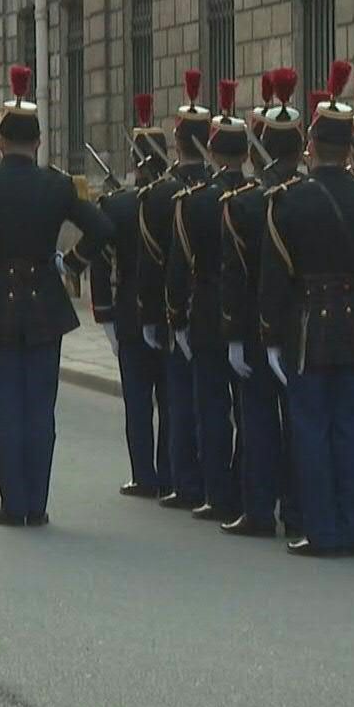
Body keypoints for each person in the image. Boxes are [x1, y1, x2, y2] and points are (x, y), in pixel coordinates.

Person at [0, 65, 113, 525]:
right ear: (38, 142)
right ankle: (37, 504)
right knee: (40, 407)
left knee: (5, 408)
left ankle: (12, 502)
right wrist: (71, 264)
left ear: (0, 141)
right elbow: (101, 227)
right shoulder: (57, 184)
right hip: (44, 303)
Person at [261, 72, 354, 558]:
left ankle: (321, 529)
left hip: (308, 323)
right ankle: (350, 527)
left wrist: (272, 336)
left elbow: (275, 277)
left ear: (311, 144)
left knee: (312, 430)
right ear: (351, 148)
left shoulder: (288, 200)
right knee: (348, 428)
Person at [221, 71, 309, 538]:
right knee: (299, 421)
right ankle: (297, 510)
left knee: (256, 421)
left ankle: (258, 511)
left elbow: (233, 278)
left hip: (257, 325)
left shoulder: (243, 203)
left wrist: (233, 332)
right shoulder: (309, 197)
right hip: (303, 323)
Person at [167, 79, 255, 525]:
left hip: (204, 310)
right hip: (248, 313)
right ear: (245, 154)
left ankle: (217, 492)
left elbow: (180, 268)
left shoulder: (194, 201)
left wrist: (175, 317)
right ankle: (249, 487)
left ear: (214, 153)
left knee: (212, 409)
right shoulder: (259, 200)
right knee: (249, 409)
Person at [137, 70, 212, 511]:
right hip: (216, 309)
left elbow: (152, 263)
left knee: (181, 401)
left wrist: (152, 314)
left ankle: (184, 481)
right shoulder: (236, 189)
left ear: (176, 143)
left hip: (176, 309)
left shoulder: (161, 195)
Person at [92, 94, 171, 503]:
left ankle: (145, 474)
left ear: (139, 163)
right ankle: (171, 470)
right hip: (171, 313)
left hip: (128, 311)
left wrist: (104, 315)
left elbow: (101, 263)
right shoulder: (175, 202)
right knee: (171, 399)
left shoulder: (117, 205)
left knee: (138, 400)